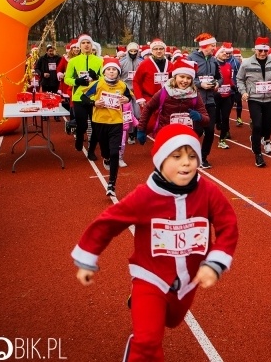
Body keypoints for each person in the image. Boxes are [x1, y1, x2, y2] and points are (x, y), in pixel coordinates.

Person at [72, 124, 239, 361]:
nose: (186, 162)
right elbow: (108, 222)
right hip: (150, 275)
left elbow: (228, 225)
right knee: (148, 341)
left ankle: (145, 307)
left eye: (192, 156)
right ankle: (140, 328)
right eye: (177, 156)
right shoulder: (144, 196)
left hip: (189, 280)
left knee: (172, 320)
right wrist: (87, 258)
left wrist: (215, 262)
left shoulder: (209, 192)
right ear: (160, 160)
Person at [137, 59, 210, 162]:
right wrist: (141, 129)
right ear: (175, 77)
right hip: (165, 134)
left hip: (184, 136)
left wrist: (199, 116)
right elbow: (148, 108)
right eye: (182, 77)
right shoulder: (164, 92)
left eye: (188, 78)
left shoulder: (194, 94)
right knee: (165, 164)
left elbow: (207, 119)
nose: (185, 81)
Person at [81, 58, 134, 196]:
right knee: (106, 152)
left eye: (114, 69)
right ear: (105, 71)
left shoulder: (122, 85)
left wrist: (126, 99)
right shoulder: (98, 84)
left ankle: (111, 184)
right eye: (109, 69)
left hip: (116, 122)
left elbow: (129, 96)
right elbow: (83, 97)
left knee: (115, 152)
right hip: (99, 121)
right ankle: (106, 158)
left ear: (118, 72)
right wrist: (94, 103)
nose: (111, 72)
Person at [236, 37, 271, 167]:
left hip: (270, 98)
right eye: (260, 50)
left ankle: (264, 138)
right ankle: (258, 154)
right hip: (254, 99)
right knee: (257, 125)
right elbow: (239, 79)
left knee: (268, 124)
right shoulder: (247, 63)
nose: (263, 53)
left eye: (265, 51)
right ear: (255, 50)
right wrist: (243, 92)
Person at [64, 34, 103, 153]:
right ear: (79, 46)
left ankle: (91, 151)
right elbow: (67, 79)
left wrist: (96, 77)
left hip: (94, 98)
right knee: (82, 125)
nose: (86, 45)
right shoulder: (73, 61)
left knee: (96, 126)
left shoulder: (99, 61)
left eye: (88, 43)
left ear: (92, 45)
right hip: (79, 97)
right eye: (83, 43)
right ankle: (80, 137)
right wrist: (77, 81)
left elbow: (104, 78)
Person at [188, 33, 222, 168]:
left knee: (210, 131)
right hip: (196, 100)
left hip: (210, 101)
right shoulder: (191, 59)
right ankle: (191, 154)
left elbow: (219, 77)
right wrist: (199, 84)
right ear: (204, 46)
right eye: (212, 46)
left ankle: (203, 157)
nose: (214, 48)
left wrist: (218, 83)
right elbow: (186, 78)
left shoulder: (214, 60)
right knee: (198, 131)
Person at [214, 42, 239, 149]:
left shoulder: (229, 65)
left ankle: (222, 139)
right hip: (215, 95)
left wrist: (234, 87)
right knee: (215, 117)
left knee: (226, 117)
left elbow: (229, 79)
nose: (225, 53)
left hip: (227, 95)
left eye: (226, 52)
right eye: (222, 52)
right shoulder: (213, 65)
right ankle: (216, 123)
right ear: (217, 54)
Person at [119, 42, 143, 144]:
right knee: (129, 113)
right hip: (126, 91)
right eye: (131, 51)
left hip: (137, 91)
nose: (133, 53)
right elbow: (118, 76)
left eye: (135, 51)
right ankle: (131, 134)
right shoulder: (122, 62)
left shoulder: (142, 62)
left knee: (138, 113)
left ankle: (137, 130)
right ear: (127, 51)